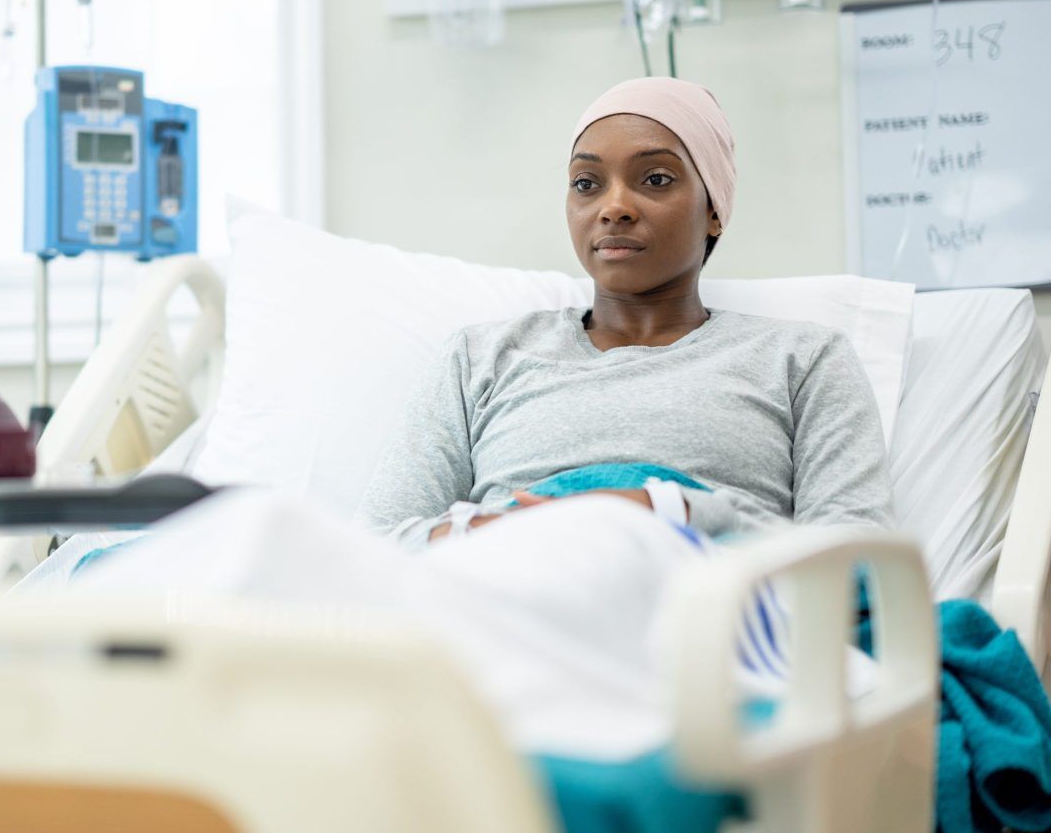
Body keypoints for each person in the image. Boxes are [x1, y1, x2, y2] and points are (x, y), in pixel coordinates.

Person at [355, 77, 893, 546]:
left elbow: (853, 556)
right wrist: (498, 531)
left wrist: (675, 512)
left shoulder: (803, 359)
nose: (613, 206)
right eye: (586, 184)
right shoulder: (480, 358)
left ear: (714, 211)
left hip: (699, 616)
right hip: (510, 598)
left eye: (655, 179)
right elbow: (378, 544)